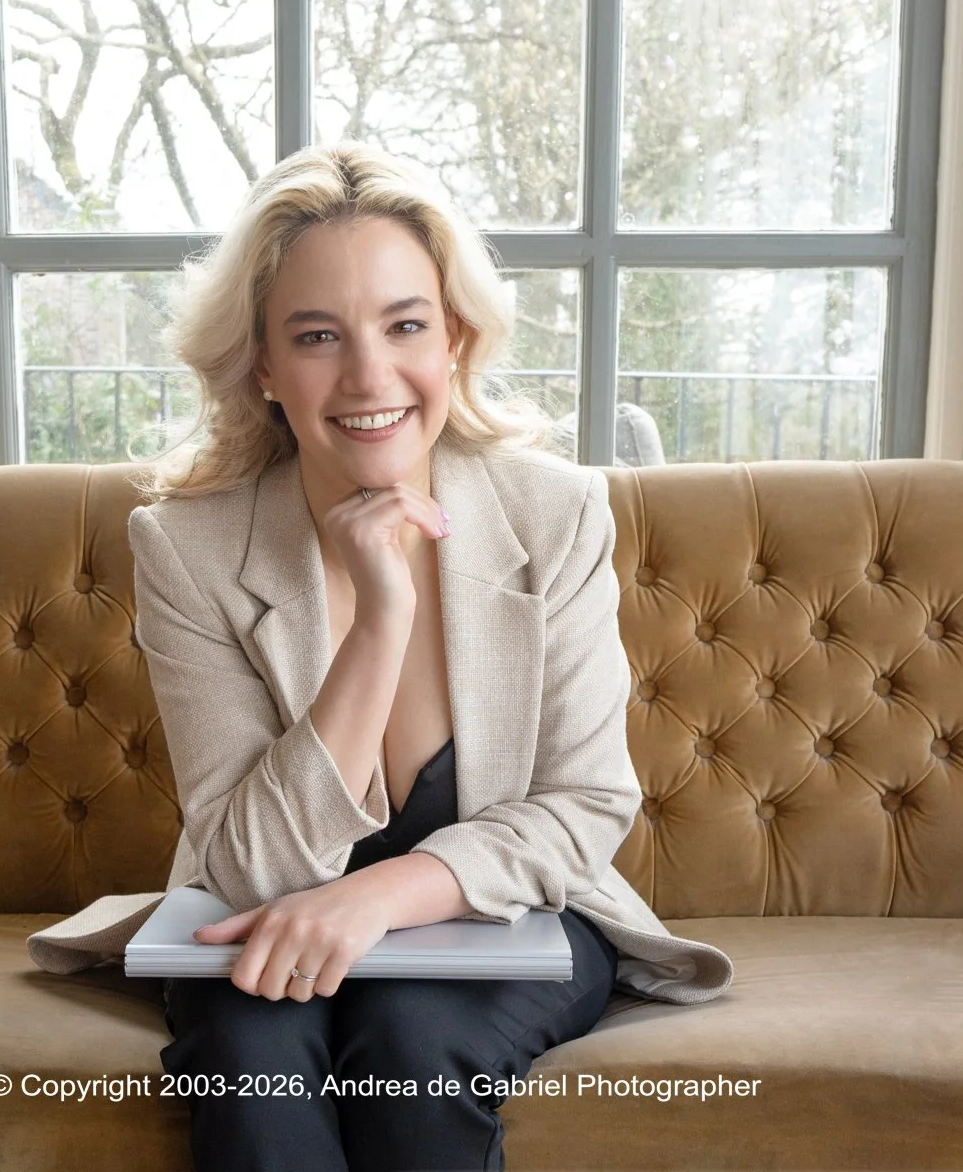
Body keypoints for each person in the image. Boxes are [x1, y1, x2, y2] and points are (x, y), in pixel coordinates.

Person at [122, 141, 733, 1172]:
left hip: (505, 915)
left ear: (455, 337)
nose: (369, 376)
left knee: (410, 1041)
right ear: (263, 365)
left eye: (405, 325)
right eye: (318, 336)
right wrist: (380, 621)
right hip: (263, 918)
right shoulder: (187, 547)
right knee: (250, 1058)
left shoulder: (554, 514)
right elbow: (246, 865)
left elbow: (586, 804)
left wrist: (375, 897)